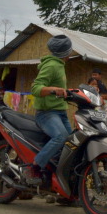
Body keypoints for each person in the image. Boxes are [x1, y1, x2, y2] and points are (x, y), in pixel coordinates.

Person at [29, 34, 73, 184]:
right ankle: (34, 167)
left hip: (60, 112)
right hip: (47, 113)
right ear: (67, 52)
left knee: (71, 143)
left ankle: (52, 172)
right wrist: (54, 89)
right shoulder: (52, 65)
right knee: (61, 137)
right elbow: (35, 88)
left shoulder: (59, 65)